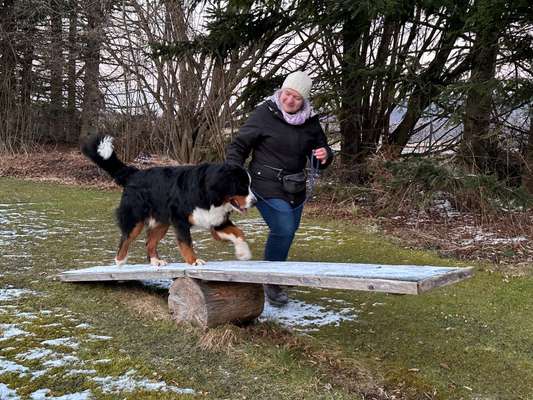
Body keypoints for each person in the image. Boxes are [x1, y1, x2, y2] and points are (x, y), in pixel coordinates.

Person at [225, 70, 333, 306]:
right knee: (283, 228)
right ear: (281, 92)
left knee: (288, 231)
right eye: (287, 94)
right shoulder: (265, 114)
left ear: (304, 101)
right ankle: (271, 281)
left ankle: (275, 270)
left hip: (295, 186)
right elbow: (239, 145)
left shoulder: (310, 122)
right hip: (264, 183)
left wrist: (325, 155)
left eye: (296, 97)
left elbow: (320, 151)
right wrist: (233, 172)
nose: (289, 100)